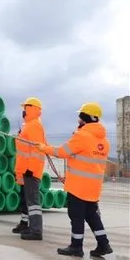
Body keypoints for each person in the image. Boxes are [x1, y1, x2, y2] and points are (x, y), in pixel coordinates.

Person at [35, 102, 113, 257]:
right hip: (93, 187)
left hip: (78, 187)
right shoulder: (104, 141)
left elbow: (62, 152)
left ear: (85, 118)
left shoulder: (82, 135)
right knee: (92, 216)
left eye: (80, 116)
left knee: (76, 216)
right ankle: (104, 245)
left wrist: (43, 148)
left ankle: (76, 246)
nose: (78, 119)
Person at [12, 97, 47, 240]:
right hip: (24, 170)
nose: (23, 111)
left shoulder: (34, 126)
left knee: (33, 202)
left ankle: (36, 230)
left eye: (25, 108)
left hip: (30, 171)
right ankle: (26, 224)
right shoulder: (29, 125)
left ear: (31, 108)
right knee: (26, 200)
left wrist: (31, 169)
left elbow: (36, 150)